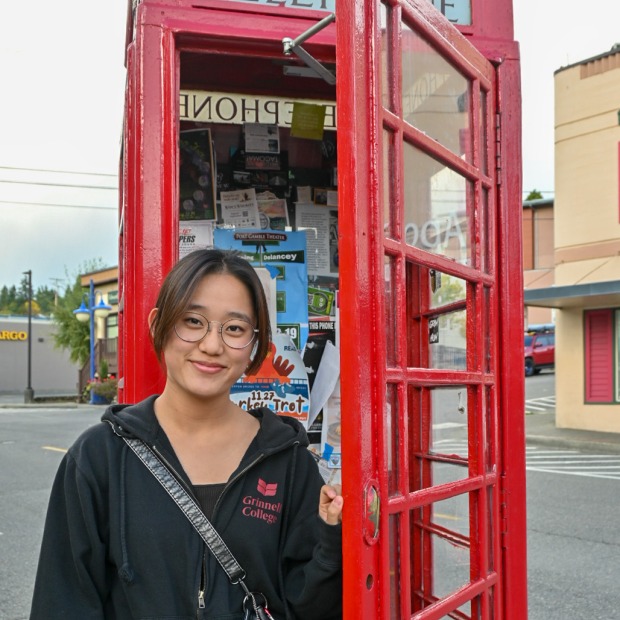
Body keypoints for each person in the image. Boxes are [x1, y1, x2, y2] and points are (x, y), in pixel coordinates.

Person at [30, 249, 343, 619]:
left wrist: (332, 533)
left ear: (255, 344)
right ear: (157, 325)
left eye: (235, 328)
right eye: (193, 321)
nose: (212, 346)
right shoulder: (98, 459)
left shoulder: (287, 462)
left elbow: (310, 606)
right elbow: (64, 602)